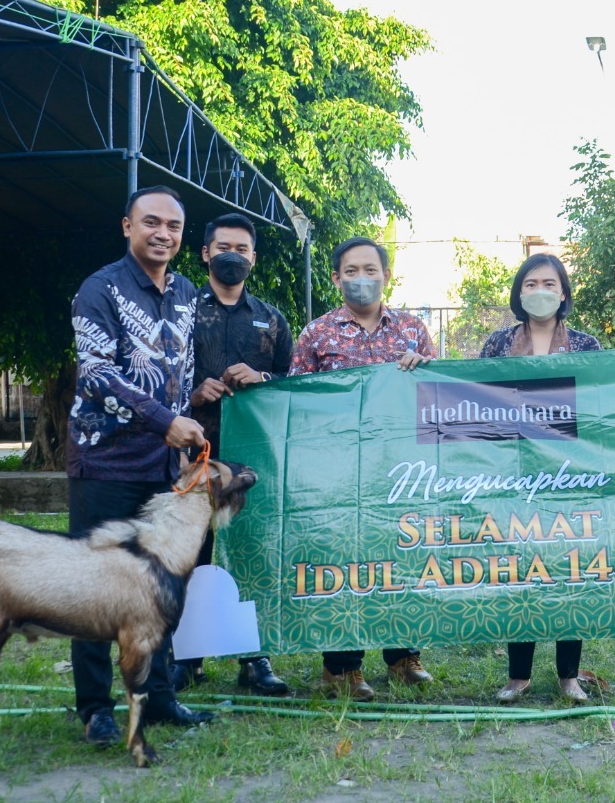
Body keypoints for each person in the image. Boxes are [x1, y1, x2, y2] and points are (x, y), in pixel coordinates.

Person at [67, 185, 214, 746]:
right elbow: (97, 376)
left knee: (158, 583)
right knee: (97, 585)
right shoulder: (98, 289)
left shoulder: (184, 293)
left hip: (161, 465)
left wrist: (190, 406)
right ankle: (96, 708)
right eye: (151, 222)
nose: (163, 234)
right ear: (126, 226)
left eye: (174, 227)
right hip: (104, 461)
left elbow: (179, 370)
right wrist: (165, 420)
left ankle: (157, 697)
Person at [289, 236, 435, 700]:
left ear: (386, 276)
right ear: (335, 278)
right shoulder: (316, 335)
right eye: (350, 271)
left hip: (400, 467)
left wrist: (426, 367)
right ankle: (342, 667)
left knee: (400, 555)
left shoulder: (413, 330)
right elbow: (297, 402)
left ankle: (403, 656)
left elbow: (440, 395)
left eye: (370, 270)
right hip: (340, 469)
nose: (361, 279)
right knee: (344, 560)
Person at [171, 213, 293, 696]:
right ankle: (186, 655)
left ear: (253, 258)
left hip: (251, 460)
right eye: (223, 246)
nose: (232, 256)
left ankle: (254, 658)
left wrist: (263, 380)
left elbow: (293, 385)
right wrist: (193, 397)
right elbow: (158, 385)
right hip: (193, 454)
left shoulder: (272, 319)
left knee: (252, 553)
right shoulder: (180, 313)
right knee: (191, 553)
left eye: (242, 249)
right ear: (204, 253)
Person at [479, 254, 601, 703]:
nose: (539, 290)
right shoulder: (497, 344)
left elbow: (602, 404)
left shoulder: (586, 346)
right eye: (530, 284)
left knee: (570, 568)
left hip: (571, 475)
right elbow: (477, 403)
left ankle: (569, 675)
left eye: (549, 282)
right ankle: (518, 675)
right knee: (519, 567)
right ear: (518, 293)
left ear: (564, 292)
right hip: (514, 475)